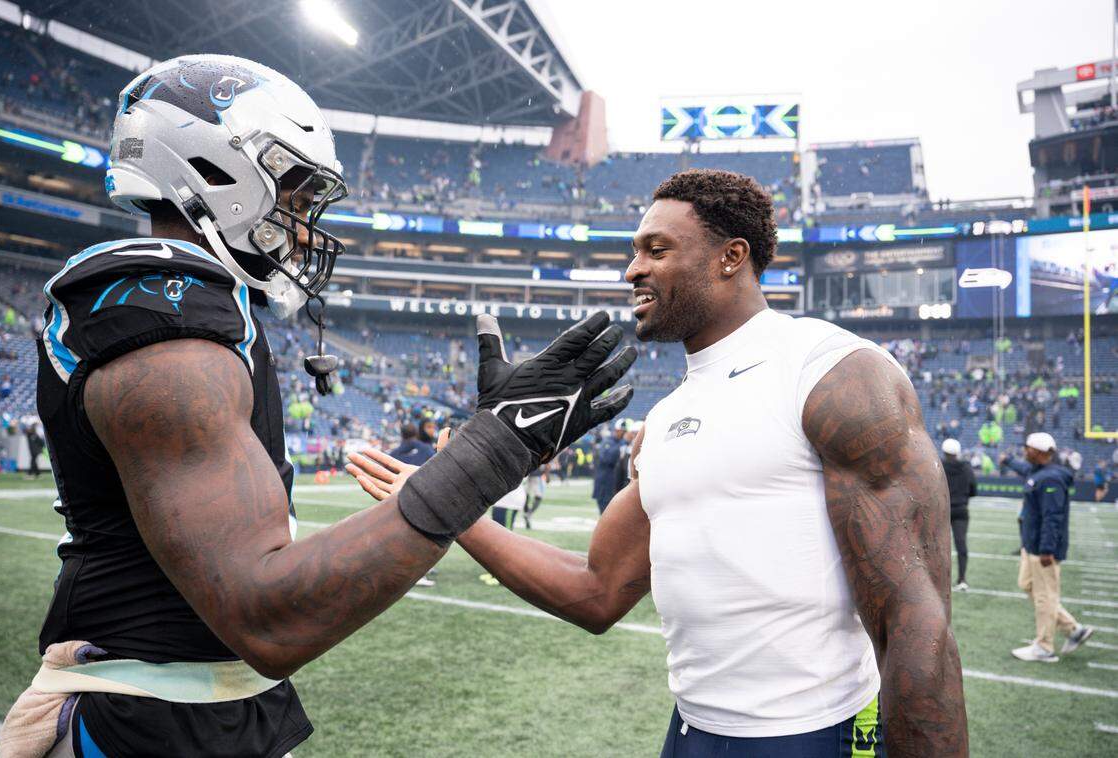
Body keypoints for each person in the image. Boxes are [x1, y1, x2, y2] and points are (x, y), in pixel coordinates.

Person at [1, 55, 634, 758]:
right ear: (218, 172)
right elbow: (266, 618)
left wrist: (486, 447)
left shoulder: (204, 316)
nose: (303, 228)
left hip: (195, 703)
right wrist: (492, 451)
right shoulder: (166, 336)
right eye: (295, 200)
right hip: (140, 719)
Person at [357, 170, 968, 756]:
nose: (632, 270)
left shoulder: (830, 371)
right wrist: (453, 502)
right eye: (635, 252)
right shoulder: (668, 417)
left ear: (731, 257)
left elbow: (918, 625)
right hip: (691, 731)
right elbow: (596, 591)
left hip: (813, 732)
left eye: (656, 250)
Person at [1002, 433, 1095, 662]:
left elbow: (1053, 517)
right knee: (1027, 585)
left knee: (1045, 597)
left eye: (1028, 448)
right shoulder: (1038, 471)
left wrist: (1047, 549)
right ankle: (1073, 630)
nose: (1025, 451)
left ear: (1040, 452)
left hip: (1042, 549)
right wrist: (1008, 461)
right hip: (1031, 545)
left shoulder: (1051, 479)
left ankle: (1044, 647)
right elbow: (1024, 469)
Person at [941, 438, 977, 590]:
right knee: (961, 545)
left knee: (938, 546)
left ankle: (937, 580)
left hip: (943, 510)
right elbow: (973, 490)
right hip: (961, 509)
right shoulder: (966, 468)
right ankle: (962, 579)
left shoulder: (939, 466)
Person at [592, 426, 622, 514]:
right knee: (604, 506)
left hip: (615, 481)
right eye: (622, 431)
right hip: (605, 481)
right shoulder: (608, 442)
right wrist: (619, 448)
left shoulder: (620, 443)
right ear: (617, 431)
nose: (622, 434)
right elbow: (606, 459)